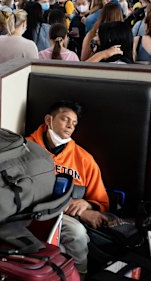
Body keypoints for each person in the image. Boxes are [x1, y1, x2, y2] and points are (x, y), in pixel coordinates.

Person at [27, 101, 109, 277]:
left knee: (77, 235)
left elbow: (101, 202)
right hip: (28, 212)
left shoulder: (85, 160)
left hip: (63, 218)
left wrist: (87, 205)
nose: (70, 126)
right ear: (49, 120)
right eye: (65, 119)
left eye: (74, 123)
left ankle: (80, 276)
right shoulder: (25, 148)